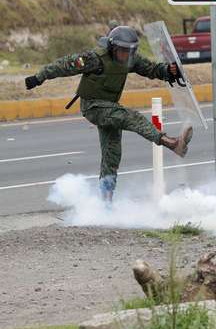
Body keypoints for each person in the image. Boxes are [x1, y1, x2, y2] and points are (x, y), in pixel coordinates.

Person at [24, 25, 193, 205]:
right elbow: (63, 65)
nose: (126, 56)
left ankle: (106, 203)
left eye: (130, 51)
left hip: (110, 107)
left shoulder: (130, 59)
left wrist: (168, 71)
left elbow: (151, 69)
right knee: (130, 117)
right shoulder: (94, 59)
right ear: (112, 48)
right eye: (122, 51)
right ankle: (171, 142)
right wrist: (38, 77)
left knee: (112, 155)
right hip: (93, 106)